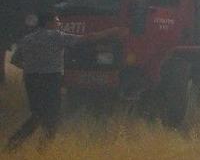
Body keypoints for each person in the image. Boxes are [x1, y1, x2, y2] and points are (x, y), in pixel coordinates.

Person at [6, 11, 127, 151]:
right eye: (57, 21)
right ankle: (44, 149)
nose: (59, 24)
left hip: (31, 79)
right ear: (49, 23)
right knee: (53, 115)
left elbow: (15, 60)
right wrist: (110, 32)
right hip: (50, 79)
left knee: (37, 114)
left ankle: (14, 143)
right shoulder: (56, 37)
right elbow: (87, 38)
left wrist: (32, 67)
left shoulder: (27, 39)